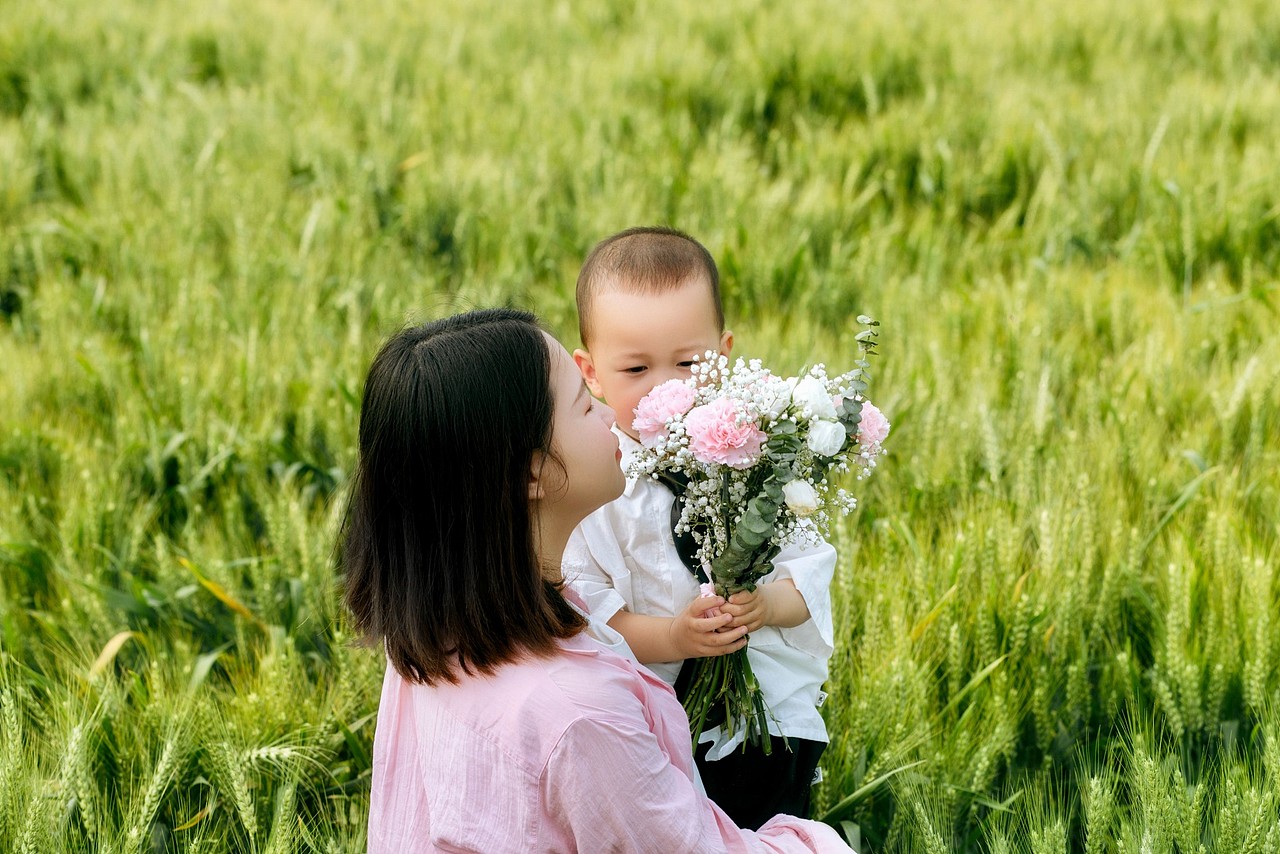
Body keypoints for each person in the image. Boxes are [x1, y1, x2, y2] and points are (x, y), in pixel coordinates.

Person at [340, 308, 851, 852]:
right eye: (585, 406)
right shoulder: (580, 714)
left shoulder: (425, 633)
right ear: (532, 472)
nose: (611, 416)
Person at [564, 228, 838, 829]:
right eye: (635, 367)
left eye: (690, 363)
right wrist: (676, 638)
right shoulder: (591, 481)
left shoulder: (758, 452)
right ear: (590, 372)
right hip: (649, 719)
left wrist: (764, 604)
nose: (667, 386)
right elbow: (592, 615)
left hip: (764, 715)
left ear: (724, 353)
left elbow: (809, 574)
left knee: (764, 827)